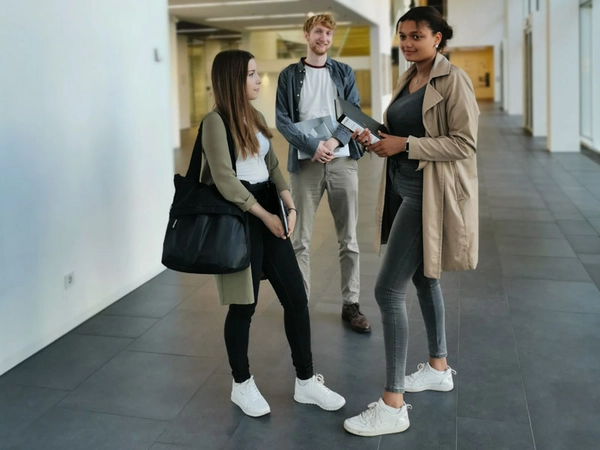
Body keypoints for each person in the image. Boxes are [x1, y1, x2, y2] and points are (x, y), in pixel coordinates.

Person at [343, 6, 479, 436]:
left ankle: (393, 403)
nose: (407, 43)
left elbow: (464, 143)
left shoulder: (452, 80)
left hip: (428, 195)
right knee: (424, 279)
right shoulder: (409, 77)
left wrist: (406, 144)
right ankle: (438, 367)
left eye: (416, 36)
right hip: (403, 186)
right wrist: (376, 135)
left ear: (438, 38)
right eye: (402, 35)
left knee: (386, 291)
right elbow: (402, 129)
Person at [199, 49, 346, 418]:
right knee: (243, 307)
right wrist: (265, 215)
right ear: (233, 79)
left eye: (256, 73)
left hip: (269, 207)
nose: (258, 79)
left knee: (295, 298)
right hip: (241, 216)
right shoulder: (214, 122)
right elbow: (224, 179)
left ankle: (306, 381)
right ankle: (241, 384)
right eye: (251, 74)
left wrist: (289, 203)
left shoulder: (256, 116)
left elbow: (273, 165)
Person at [275, 13, 371, 333]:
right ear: (306, 34)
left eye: (329, 34)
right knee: (299, 239)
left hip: (343, 162)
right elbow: (283, 120)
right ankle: (299, 304)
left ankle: (351, 304)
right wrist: (314, 146)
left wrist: (333, 141)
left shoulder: (343, 72)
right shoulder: (290, 75)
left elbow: (354, 113)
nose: (324, 39)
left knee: (350, 239)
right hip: (306, 165)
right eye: (319, 32)